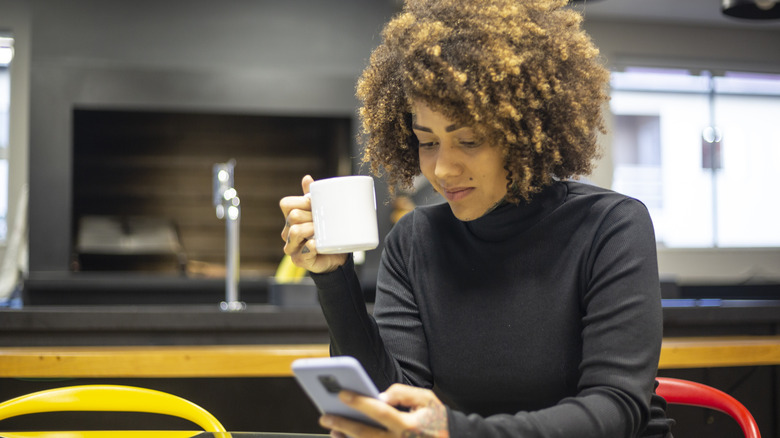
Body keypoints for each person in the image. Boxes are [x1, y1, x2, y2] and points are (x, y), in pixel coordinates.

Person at [280, 0, 674, 436]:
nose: (442, 170)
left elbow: (614, 409)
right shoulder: (414, 241)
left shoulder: (611, 227)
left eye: (468, 140)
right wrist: (334, 278)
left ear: (524, 134)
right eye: (426, 142)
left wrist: (456, 432)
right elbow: (396, 398)